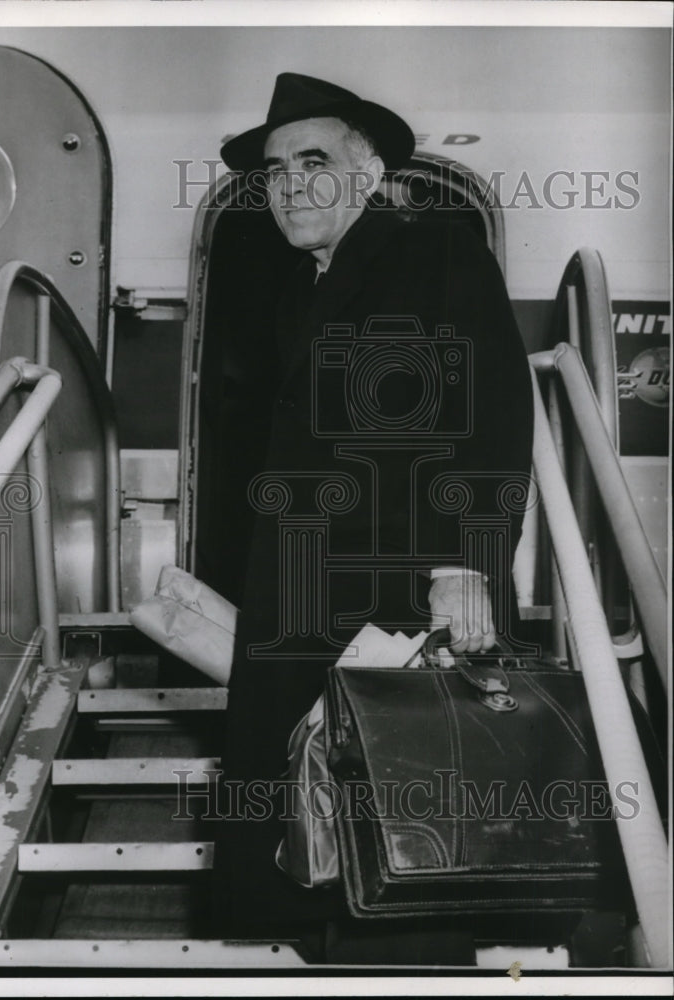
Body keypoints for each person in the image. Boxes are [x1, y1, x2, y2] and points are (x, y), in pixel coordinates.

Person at [210, 73, 534, 961]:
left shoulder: (435, 253)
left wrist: (466, 564)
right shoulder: (297, 289)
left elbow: (493, 417)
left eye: (312, 161)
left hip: (404, 591)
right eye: (274, 172)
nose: (289, 186)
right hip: (307, 599)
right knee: (320, 849)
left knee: (409, 842)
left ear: (370, 172)